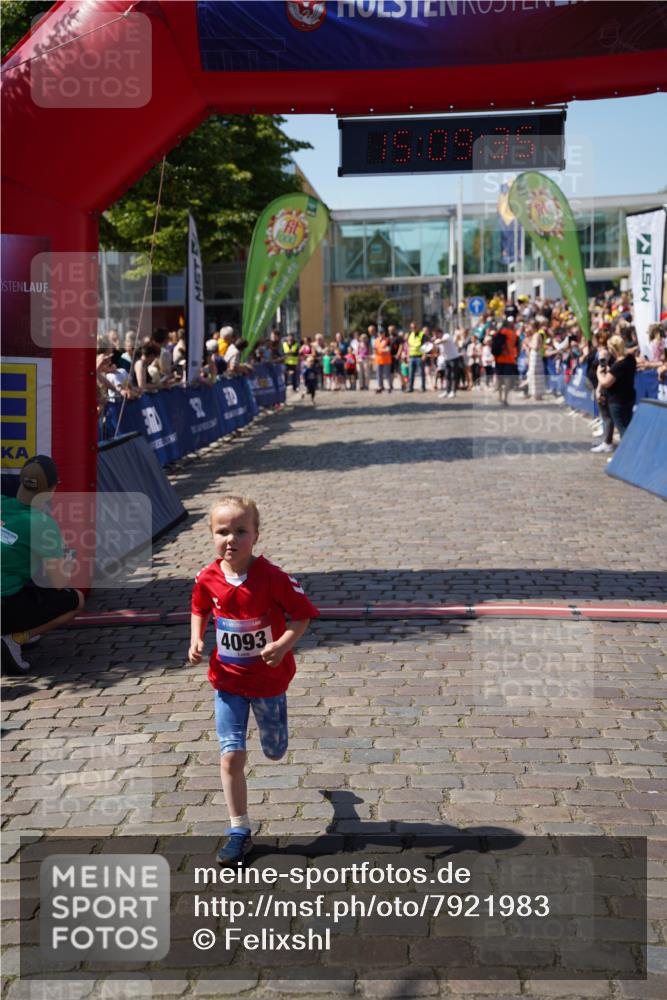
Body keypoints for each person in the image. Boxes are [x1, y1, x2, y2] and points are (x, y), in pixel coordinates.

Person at [189, 495, 318, 864]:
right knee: (231, 755)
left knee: (274, 752)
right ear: (212, 536)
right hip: (227, 681)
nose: (231, 539)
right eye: (222, 531)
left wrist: (282, 644)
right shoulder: (207, 577)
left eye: (240, 531)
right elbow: (198, 606)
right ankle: (238, 829)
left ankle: (274, 737)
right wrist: (196, 638)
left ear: (256, 535)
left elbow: (301, 616)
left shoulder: (273, 578)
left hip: (268, 682)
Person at [1, 456, 85, 674]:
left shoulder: (2, 503)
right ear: (52, 488)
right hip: (4, 604)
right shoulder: (42, 524)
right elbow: (59, 582)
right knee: (76, 599)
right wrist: (67, 559)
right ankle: (15, 639)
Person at [596, 334, 636, 439]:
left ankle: (626, 453)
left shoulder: (618, 365)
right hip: (629, 397)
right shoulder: (630, 359)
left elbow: (605, 382)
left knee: (622, 429)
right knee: (627, 426)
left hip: (618, 401)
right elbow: (620, 376)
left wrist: (599, 374)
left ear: (612, 349)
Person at [493, 316, 520, 406]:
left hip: (499, 359)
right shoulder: (514, 334)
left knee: (500, 378)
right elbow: (518, 346)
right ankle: (505, 398)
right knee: (508, 379)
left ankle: (500, 397)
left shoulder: (500, 332)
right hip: (510, 359)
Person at [407, 322, 427, 392]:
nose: (413, 329)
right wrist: (407, 356)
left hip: (419, 356)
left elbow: (425, 345)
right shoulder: (410, 334)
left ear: (417, 327)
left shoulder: (422, 335)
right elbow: (408, 346)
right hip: (411, 356)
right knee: (411, 373)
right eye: (412, 327)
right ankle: (410, 387)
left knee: (421, 373)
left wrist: (424, 355)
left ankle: (423, 387)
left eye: (414, 327)